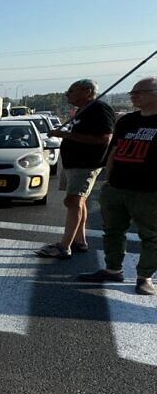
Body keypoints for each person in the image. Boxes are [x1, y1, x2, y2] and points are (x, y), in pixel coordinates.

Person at [78, 77, 157, 295]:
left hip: (149, 192)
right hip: (117, 188)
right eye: (132, 92)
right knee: (112, 231)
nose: (133, 96)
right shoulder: (127, 121)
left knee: (151, 235)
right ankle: (113, 269)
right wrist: (109, 182)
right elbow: (113, 151)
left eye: (138, 92)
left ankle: (144, 277)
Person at [36, 79, 115, 259]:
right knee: (78, 202)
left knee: (73, 202)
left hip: (85, 164)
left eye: (72, 91)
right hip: (73, 164)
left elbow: (104, 139)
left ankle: (65, 246)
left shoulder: (99, 109)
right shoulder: (82, 110)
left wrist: (64, 134)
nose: (67, 94)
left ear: (87, 92)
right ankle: (80, 240)